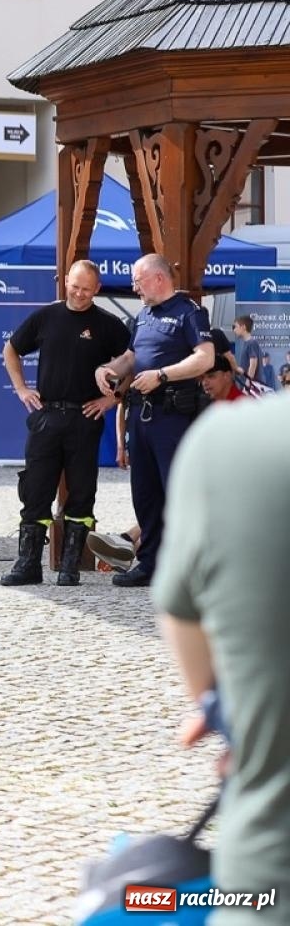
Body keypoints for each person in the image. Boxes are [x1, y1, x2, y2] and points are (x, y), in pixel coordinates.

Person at [153, 395, 290, 922]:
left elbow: (187, 625)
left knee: (144, 901)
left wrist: (237, 716)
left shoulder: (229, 445)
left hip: (267, 888)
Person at [0, 259, 127, 586]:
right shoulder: (46, 316)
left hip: (85, 418)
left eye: (87, 289)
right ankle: (28, 565)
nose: (80, 294)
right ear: (65, 280)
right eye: (75, 286)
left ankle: (70, 567)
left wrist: (112, 399)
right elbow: (10, 350)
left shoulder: (109, 325)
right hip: (47, 417)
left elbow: (137, 363)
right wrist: (20, 389)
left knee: (82, 492)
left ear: (97, 289)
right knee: (35, 490)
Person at [95, 253, 214, 588]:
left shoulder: (188, 312)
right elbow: (132, 356)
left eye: (138, 281)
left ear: (159, 278)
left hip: (172, 415)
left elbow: (205, 358)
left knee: (177, 492)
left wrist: (162, 375)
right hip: (141, 414)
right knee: (145, 493)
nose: (135, 288)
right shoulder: (144, 315)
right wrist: (107, 370)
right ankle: (150, 564)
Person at [232, 315, 268, 389]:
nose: (234, 330)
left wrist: (248, 384)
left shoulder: (251, 343)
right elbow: (246, 367)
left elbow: (253, 364)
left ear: (243, 327)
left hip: (252, 386)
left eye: (235, 327)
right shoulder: (247, 343)